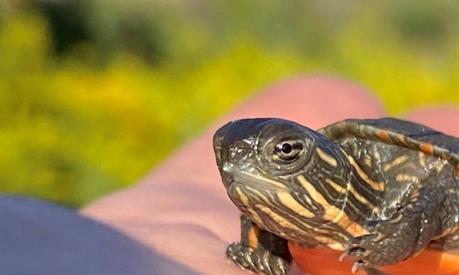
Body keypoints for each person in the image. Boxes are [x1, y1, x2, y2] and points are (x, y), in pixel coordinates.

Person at [2, 76, 459, 275]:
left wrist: (393, 239)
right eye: (229, 159)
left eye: (284, 153)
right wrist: (264, 250)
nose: (240, 170)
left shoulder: (398, 167)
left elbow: (440, 184)